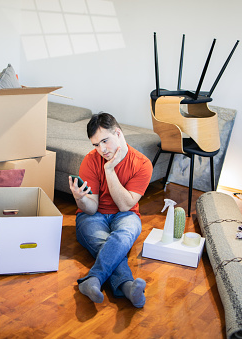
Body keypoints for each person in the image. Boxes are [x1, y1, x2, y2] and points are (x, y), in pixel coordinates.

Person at [68, 112, 153, 308]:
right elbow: (92, 208)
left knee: (122, 236)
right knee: (107, 244)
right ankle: (128, 287)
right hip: (93, 216)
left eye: (105, 141)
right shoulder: (90, 160)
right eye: (96, 145)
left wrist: (109, 169)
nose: (102, 149)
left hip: (126, 214)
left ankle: (93, 279)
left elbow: (125, 205)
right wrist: (80, 199)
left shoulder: (142, 164)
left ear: (118, 133)